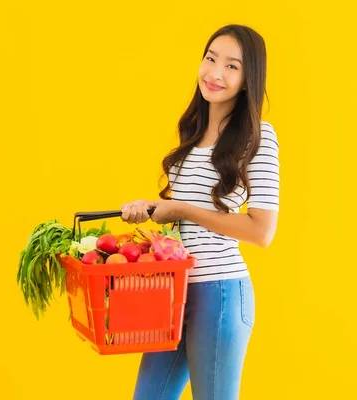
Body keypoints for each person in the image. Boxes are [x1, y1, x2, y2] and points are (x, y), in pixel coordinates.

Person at [120, 24, 280, 400]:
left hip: (220, 293)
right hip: (172, 292)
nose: (215, 73)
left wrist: (181, 208)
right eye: (211, 59)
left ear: (248, 79)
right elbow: (185, 222)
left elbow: (262, 232)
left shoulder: (259, 136)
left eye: (232, 66)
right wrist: (153, 211)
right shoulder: (192, 133)